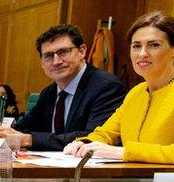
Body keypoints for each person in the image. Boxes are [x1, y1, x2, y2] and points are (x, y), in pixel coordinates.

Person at [0, 24, 125, 150]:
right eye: (48, 56)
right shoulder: (49, 92)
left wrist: (29, 140)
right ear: (42, 63)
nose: (56, 61)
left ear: (82, 51)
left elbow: (92, 137)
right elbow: (22, 128)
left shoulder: (106, 87)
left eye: (63, 52)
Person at [64, 11, 174, 163]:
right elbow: (106, 133)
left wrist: (124, 152)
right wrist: (84, 143)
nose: (142, 53)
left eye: (154, 45)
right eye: (136, 46)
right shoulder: (135, 93)